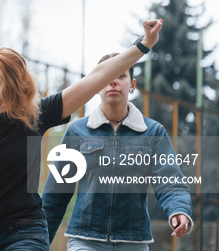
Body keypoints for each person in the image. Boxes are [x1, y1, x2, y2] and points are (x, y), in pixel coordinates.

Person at [0, 20, 163, 251]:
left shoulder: (36, 114)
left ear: (20, 87)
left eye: (6, 91)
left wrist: (143, 45)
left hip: (24, 233)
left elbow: (96, 78)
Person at [41, 52, 192, 250]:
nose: (113, 82)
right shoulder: (76, 131)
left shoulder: (153, 132)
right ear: (95, 85)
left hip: (134, 242)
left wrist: (178, 210)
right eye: (106, 76)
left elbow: (170, 180)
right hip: (85, 240)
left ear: (132, 85)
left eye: (121, 76)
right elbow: (55, 194)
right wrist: (38, 242)